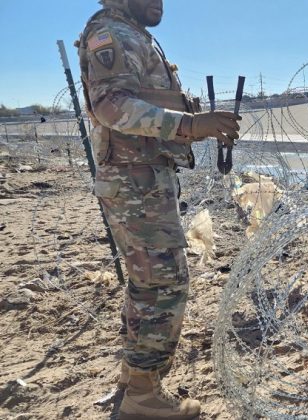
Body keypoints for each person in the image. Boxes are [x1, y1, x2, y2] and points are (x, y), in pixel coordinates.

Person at [77, 0, 240, 418]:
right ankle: (144, 396)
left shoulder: (135, 34)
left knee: (147, 283)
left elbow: (144, 102)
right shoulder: (111, 34)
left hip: (143, 179)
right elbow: (111, 106)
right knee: (165, 285)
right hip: (135, 182)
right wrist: (188, 125)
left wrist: (192, 123)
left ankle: (134, 377)